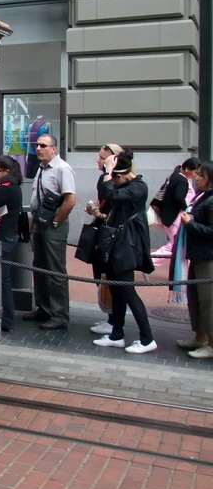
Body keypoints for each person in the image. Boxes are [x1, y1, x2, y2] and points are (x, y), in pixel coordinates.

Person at [91, 148, 157, 353]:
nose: (113, 180)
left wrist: (107, 171)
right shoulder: (127, 186)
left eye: (114, 177)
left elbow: (109, 192)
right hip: (118, 244)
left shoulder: (138, 187)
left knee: (128, 292)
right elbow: (108, 197)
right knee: (118, 290)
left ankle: (147, 339)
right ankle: (116, 334)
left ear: (120, 175)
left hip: (127, 246)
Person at [24, 134, 76, 330]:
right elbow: (37, 199)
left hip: (53, 225)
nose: (38, 148)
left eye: (43, 146)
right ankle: (43, 308)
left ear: (54, 149)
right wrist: (33, 222)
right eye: (37, 145)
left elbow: (70, 200)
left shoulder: (62, 169)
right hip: (40, 223)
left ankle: (59, 314)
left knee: (55, 269)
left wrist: (56, 222)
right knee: (40, 266)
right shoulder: (42, 168)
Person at [86, 143, 124, 337]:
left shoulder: (113, 178)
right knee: (101, 274)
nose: (98, 161)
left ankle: (115, 320)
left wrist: (99, 213)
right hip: (103, 230)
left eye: (102, 158)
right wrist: (96, 209)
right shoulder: (105, 178)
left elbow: (111, 202)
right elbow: (105, 202)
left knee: (111, 277)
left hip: (111, 234)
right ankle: (111, 317)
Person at [176, 159, 213, 357]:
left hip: (207, 258)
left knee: (208, 301)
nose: (196, 178)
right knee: (195, 297)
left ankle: (211, 344)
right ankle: (200, 337)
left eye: (201, 176)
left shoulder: (211, 200)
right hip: (196, 254)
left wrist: (190, 224)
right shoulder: (202, 197)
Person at [0, 155, 23, 333]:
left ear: (6, 171)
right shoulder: (14, 188)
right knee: (3, 279)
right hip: (9, 236)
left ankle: (7, 319)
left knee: (2, 279)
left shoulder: (6, 189)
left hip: (4, 237)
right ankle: (7, 318)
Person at [151, 157, 199, 259]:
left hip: (173, 217)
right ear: (187, 169)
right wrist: (186, 208)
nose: (196, 176)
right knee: (175, 246)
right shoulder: (181, 180)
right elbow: (179, 197)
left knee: (175, 245)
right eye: (195, 172)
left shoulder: (177, 176)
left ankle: (151, 262)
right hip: (175, 217)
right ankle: (151, 261)